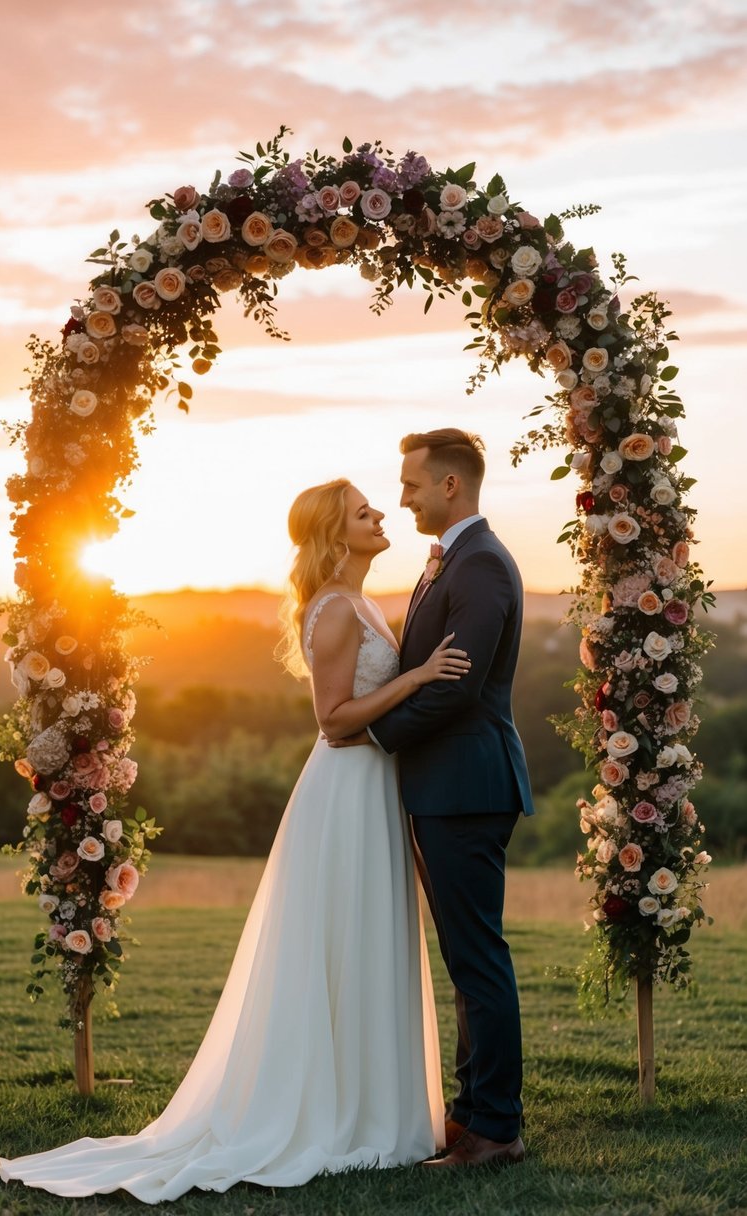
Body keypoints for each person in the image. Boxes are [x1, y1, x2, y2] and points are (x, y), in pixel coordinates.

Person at [0, 477, 472, 1201]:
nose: (380, 516)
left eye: (376, 508)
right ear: (332, 535)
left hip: (374, 788)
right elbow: (333, 721)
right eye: (362, 513)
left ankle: (378, 1109)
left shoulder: (363, 602)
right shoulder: (335, 610)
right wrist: (419, 679)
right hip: (345, 789)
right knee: (340, 940)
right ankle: (334, 1114)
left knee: (367, 941)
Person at [340, 428, 535, 1168]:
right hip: (445, 785)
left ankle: (495, 1129)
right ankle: (471, 1113)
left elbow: (456, 684)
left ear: (449, 485)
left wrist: (374, 732)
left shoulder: (480, 564)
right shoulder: (451, 560)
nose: (401, 497)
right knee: (465, 956)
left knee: (477, 957)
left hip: (467, 784)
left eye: (412, 485)